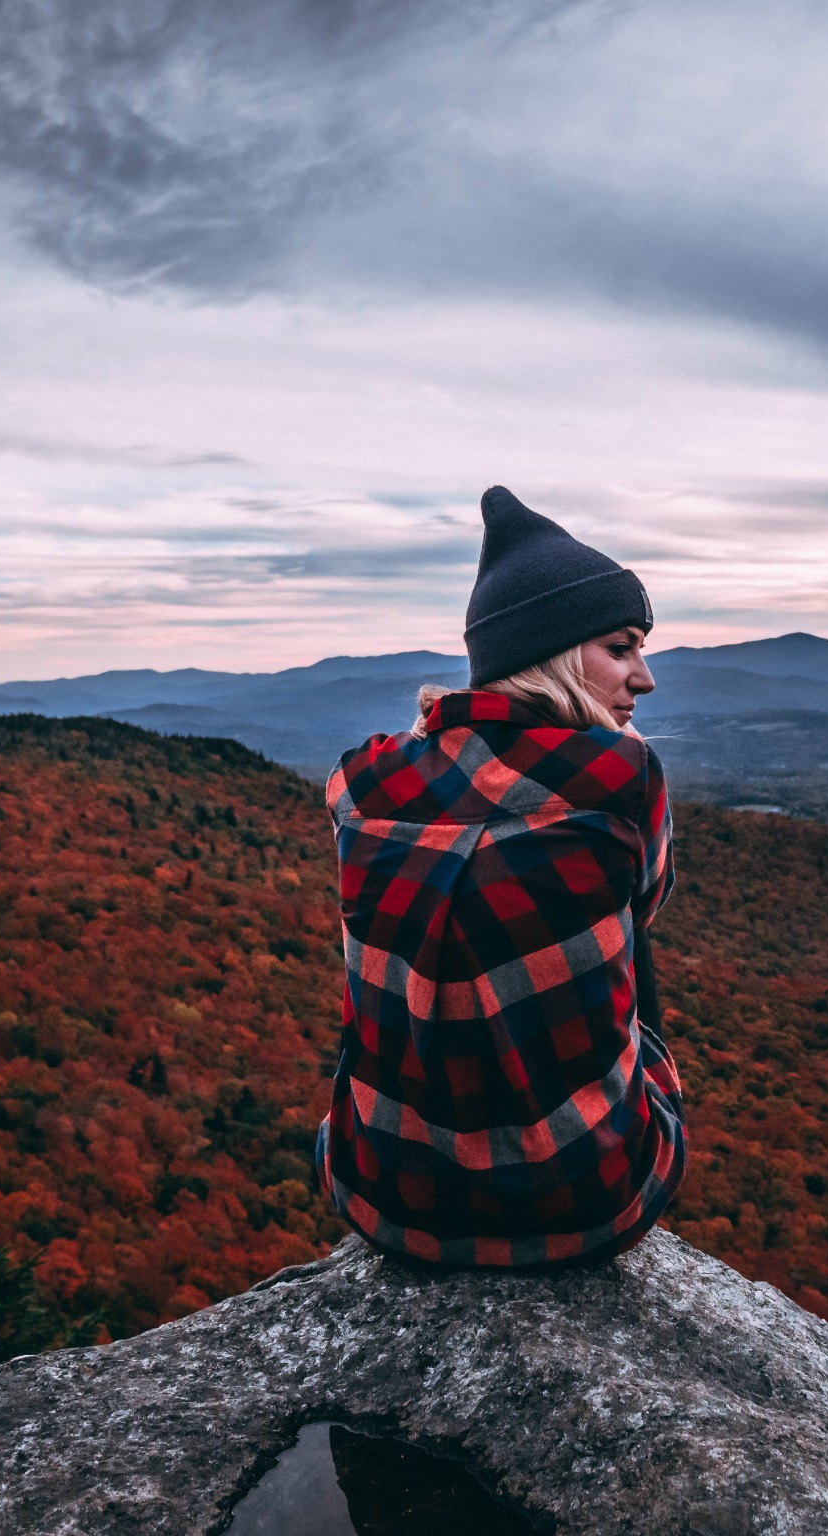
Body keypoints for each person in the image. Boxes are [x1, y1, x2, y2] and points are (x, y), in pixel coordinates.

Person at [315, 485, 686, 1267]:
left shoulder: (362, 782)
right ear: (546, 656)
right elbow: (645, 902)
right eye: (621, 648)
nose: (643, 678)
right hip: (585, 1202)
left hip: (383, 1194)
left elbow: (363, 783)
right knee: (623, 925)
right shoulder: (624, 778)